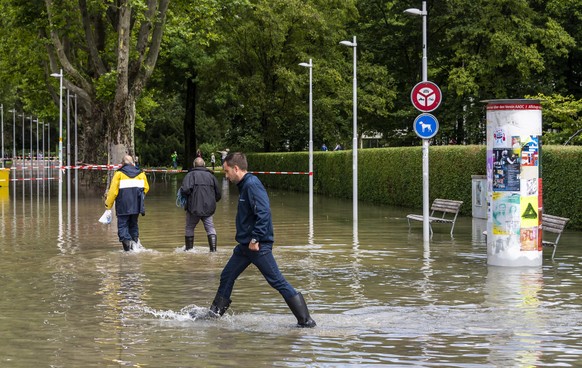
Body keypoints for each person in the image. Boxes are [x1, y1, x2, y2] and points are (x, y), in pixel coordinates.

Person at [198, 152, 316, 328]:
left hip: (257, 246)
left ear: (236, 168)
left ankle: (306, 321)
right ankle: (214, 316)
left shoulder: (252, 185)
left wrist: (255, 238)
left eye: (227, 171)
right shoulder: (244, 185)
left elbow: (264, 213)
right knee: (227, 275)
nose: (226, 176)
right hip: (245, 247)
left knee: (277, 281)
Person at [105, 155, 150, 251]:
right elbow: (146, 188)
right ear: (133, 163)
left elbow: (113, 192)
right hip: (136, 206)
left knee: (123, 226)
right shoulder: (141, 173)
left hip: (123, 206)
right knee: (133, 225)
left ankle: (127, 251)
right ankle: (135, 246)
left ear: (122, 163)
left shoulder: (119, 174)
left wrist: (108, 205)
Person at [180, 157, 222, 252]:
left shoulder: (190, 175)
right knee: (210, 228)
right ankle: (213, 251)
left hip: (193, 208)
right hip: (208, 209)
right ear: (204, 165)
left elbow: (185, 189)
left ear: (194, 165)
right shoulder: (211, 176)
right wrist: (212, 201)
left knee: (190, 227)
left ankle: (189, 251)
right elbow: (218, 194)